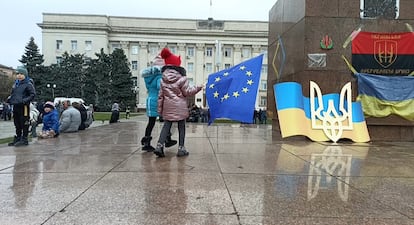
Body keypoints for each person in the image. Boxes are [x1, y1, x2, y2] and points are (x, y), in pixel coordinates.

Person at [153, 48, 204, 157]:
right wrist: (199, 87)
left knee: (166, 126)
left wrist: (159, 110)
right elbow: (188, 92)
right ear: (178, 66)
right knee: (181, 126)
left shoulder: (162, 80)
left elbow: (160, 96)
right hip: (180, 106)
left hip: (168, 106)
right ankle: (181, 148)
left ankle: (159, 146)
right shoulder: (182, 79)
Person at [140, 55, 177, 151]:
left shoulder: (148, 77)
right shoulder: (159, 76)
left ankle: (146, 143)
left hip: (150, 100)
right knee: (167, 121)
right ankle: (167, 139)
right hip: (159, 101)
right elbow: (160, 87)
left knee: (151, 122)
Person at [7, 66, 36, 146]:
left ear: (25, 75)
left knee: (24, 122)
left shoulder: (28, 84)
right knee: (17, 123)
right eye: (18, 74)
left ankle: (24, 139)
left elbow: (32, 95)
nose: (19, 75)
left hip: (24, 106)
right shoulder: (16, 85)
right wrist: (10, 99)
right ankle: (18, 137)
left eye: (21, 74)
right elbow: (13, 94)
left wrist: (24, 101)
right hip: (16, 106)